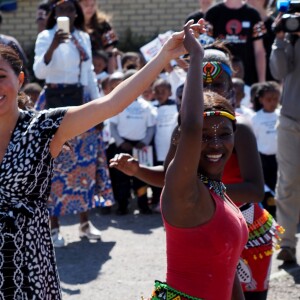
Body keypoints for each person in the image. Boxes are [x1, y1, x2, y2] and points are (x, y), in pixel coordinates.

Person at [0, 20, 190, 299]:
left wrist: (163, 56)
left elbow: (112, 103)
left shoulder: (43, 127)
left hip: (28, 272)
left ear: (19, 80)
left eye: (0, 76)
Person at [111, 42, 283, 300]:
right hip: (208, 215)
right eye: (202, 84)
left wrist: (207, 195)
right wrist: (140, 171)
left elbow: (255, 190)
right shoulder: (185, 137)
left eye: (217, 85)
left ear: (232, 86)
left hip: (241, 219)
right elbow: (172, 176)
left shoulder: (238, 130)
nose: (209, 90)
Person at [145, 20, 248, 299]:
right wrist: (196, 60)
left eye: (224, 134)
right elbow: (191, 125)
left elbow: (228, 271)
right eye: (204, 137)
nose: (215, 143)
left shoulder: (217, 191)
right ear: (185, 142)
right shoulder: (184, 191)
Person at [33, 0, 113, 247]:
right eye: (61, 10)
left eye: (70, 10)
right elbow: (38, 72)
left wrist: (99, 110)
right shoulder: (45, 36)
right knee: (53, 163)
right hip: (52, 102)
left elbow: (88, 75)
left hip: (80, 100)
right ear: (54, 13)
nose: (66, 13)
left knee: (84, 162)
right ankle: (54, 227)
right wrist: (54, 46)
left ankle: (85, 223)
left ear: (76, 14)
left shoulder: (83, 37)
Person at [269, 15, 300, 263]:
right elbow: (278, 71)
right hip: (291, 121)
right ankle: (287, 243)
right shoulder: (289, 37)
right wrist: (280, 39)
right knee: (288, 183)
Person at [110, 70, 156, 215]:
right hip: (123, 145)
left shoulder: (146, 106)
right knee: (121, 178)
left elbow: (151, 127)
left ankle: (143, 205)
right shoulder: (118, 103)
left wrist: (145, 142)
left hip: (140, 147)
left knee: (141, 178)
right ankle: (123, 205)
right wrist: (120, 142)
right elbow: (112, 126)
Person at [205, 0, 266, 86]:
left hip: (247, 80)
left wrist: (262, 81)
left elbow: (259, 50)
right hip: (218, 78)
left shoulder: (253, 14)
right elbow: (206, 48)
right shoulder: (212, 13)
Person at [250, 81, 281, 217]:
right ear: (261, 99)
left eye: (275, 99)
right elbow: (254, 140)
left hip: (281, 157)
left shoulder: (282, 115)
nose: (272, 102)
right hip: (263, 159)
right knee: (267, 189)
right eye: (268, 99)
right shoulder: (255, 118)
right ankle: (270, 215)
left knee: (281, 187)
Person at [151, 78, 178, 211]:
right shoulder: (152, 108)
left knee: (172, 175)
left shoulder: (176, 107)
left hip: (171, 148)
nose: (160, 94)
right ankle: (158, 201)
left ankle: (172, 202)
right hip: (158, 148)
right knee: (159, 176)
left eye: (163, 91)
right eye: (157, 91)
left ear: (170, 92)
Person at [78, 0, 119, 73]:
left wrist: (111, 75)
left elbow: (110, 52)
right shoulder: (73, 26)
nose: (90, 8)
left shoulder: (103, 25)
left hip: (101, 72)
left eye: (92, 5)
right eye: (86, 5)